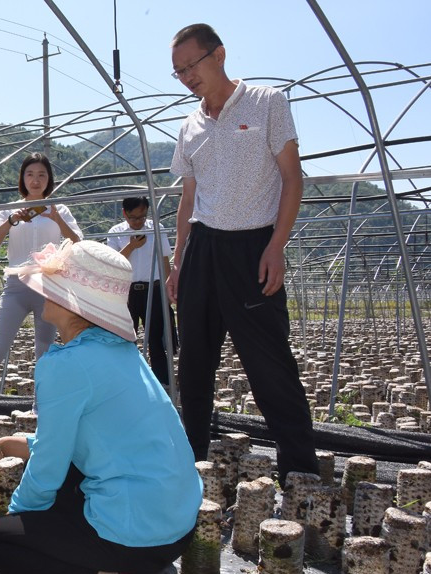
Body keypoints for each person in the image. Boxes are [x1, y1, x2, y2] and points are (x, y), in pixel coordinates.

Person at [0, 239, 202, 574]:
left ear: (73, 301)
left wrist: (18, 521)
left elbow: (49, 466)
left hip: (135, 535)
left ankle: (103, 566)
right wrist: (7, 445)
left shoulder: (67, 364)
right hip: (176, 526)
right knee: (63, 492)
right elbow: (96, 441)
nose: (44, 290)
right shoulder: (122, 352)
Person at [166, 23, 318, 481]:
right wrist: (178, 261)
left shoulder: (267, 102)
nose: (187, 76)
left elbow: (292, 179)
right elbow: (188, 201)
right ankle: (188, 463)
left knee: (268, 363)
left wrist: (277, 245)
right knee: (193, 363)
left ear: (220, 55)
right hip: (202, 249)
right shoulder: (190, 124)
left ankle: (300, 471)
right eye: (178, 72)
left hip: (253, 245)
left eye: (191, 65)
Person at [0, 153, 82, 411]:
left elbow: (78, 243)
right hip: (16, 286)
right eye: (30, 174)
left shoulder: (59, 208)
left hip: (48, 287)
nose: (35, 180)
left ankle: (40, 409)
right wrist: (11, 221)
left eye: (41, 175)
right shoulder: (9, 210)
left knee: (44, 352)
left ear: (49, 179)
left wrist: (56, 219)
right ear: (22, 179)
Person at [106, 196, 178, 389]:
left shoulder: (157, 228)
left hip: (153, 290)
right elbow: (112, 263)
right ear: (124, 214)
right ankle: (127, 382)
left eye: (142, 217)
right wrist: (131, 246)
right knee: (125, 338)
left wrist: (168, 288)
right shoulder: (116, 233)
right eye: (133, 218)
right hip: (126, 292)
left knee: (155, 339)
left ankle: (162, 383)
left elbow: (164, 260)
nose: (138, 222)